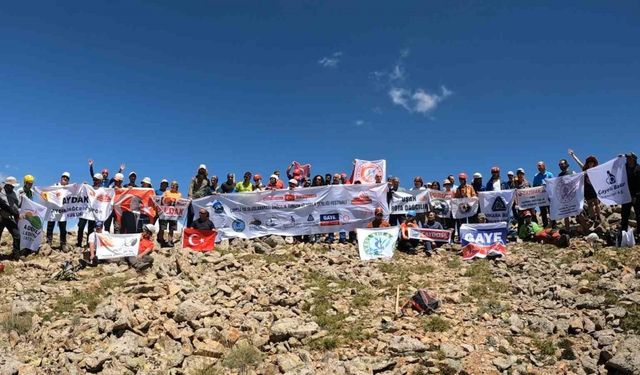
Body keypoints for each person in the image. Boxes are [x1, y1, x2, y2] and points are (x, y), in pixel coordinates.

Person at [76, 173, 103, 247]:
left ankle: (88, 244)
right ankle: (79, 243)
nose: (95, 181)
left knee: (90, 229)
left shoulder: (102, 190)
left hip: (94, 213)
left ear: (100, 181)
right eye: (94, 179)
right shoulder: (88, 188)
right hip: (84, 211)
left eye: (97, 180)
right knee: (81, 227)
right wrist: (83, 186)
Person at [46, 172, 71, 249]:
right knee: (50, 226)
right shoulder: (55, 186)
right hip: (54, 209)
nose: (65, 178)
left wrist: (83, 185)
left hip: (63, 211)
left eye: (67, 178)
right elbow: (47, 192)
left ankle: (63, 243)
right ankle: (48, 242)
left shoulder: (69, 188)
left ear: (68, 180)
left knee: (63, 228)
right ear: (61, 178)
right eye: (64, 177)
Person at [0, 176, 21, 256]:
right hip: (1, 217)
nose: (12, 187)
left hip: (9, 217)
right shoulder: (1, 192)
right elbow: (3, 204)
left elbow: (17, 204)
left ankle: (16, 255)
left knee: (17, 235)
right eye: (11, 186)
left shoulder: (14, 193)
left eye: (13, 186)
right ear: (7, 185)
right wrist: (13, 212)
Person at [621, 152, 640, 235]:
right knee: (624, 214)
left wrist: (636, 195)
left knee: (639, 215)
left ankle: (639, 233)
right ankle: (623, 233)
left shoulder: (638, 169)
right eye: (627, 158)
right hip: (626, 195)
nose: (627, 159)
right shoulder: (624, 168)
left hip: (637, 196)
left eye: (629, 158)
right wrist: (618, 159)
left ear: (634, 159)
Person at [158, 181, 182, 246]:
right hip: (165, 213)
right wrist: (169, 199)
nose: (172, 186)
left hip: (173, 214)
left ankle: (170, 241)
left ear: (177, 186)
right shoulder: (166, 192)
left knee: (172, 228)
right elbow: (162, 199)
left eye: (174, 185)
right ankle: (160, 240)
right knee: (162, 227)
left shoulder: (179, 194)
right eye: (171, 185)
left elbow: (180, 202)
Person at [533, 161, 554, 228]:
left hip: (549, 197)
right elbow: (534, 187)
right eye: (538, 166)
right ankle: (545, 227)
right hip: (541, 198)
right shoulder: (536, 176)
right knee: (543, 212)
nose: (539, 167)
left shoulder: (550, 174)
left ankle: (553, 226)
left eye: (540, 165)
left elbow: (554, 183)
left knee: (551, 212)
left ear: (544, 166)